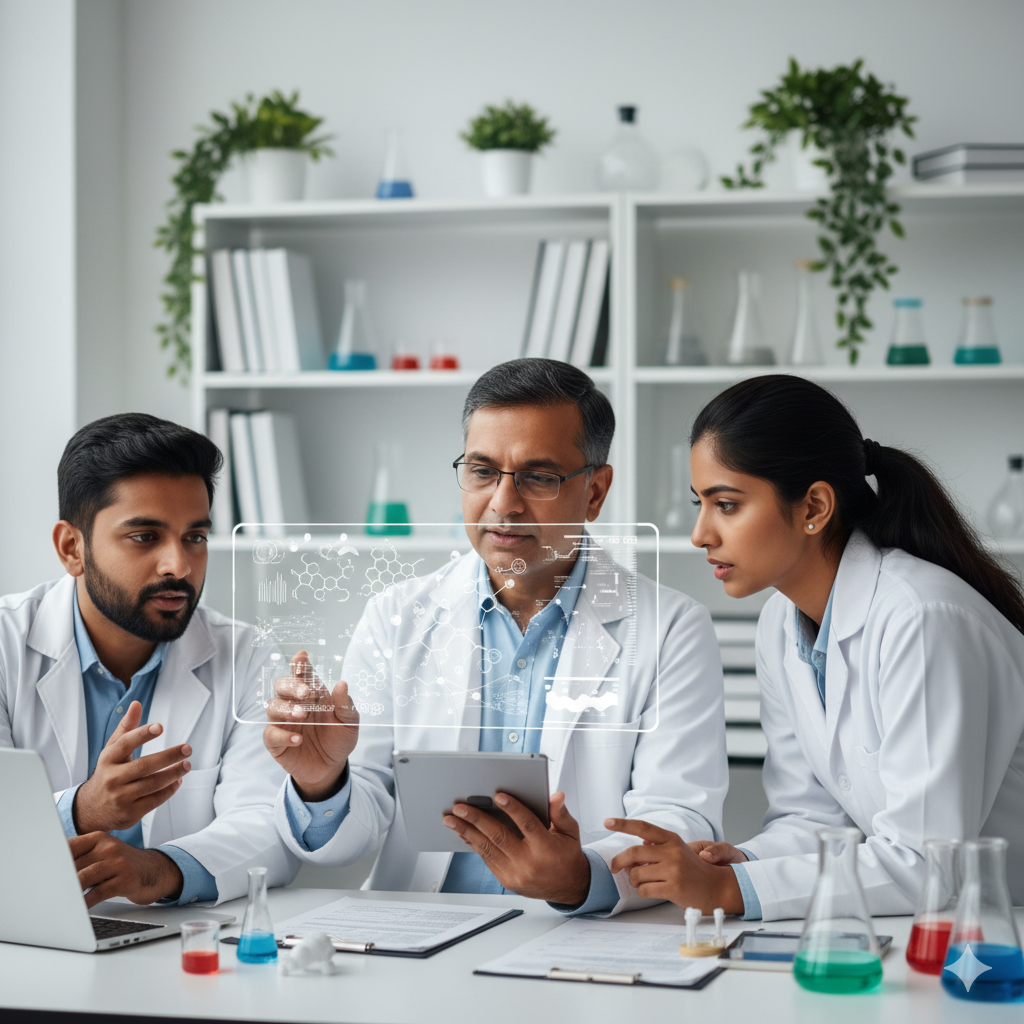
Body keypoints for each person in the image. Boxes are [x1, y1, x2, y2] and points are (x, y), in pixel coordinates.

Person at [264, 358, 727, 915]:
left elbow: (680, 817)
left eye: (539, 476)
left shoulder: (671, 628)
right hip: (419, 930)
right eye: (482, 472)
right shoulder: (396, 616)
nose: (503, 504)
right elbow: (361, 823)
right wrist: (323, 783)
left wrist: (581, 876)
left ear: (595, 491)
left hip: (580, 936)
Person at [607, 374, 1024, 920]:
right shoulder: (782, 621)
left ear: (814, 507)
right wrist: (738, 864)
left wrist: (731, 893)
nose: (700, 533)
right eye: (699, 504)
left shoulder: (922, 619)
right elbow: (814, 817)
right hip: (942, 922)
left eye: (726, 505)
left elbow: (926, 862)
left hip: (999, 927)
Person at [0, 414, 298, 907]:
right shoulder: (7, 643)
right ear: (72, 548)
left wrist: (160, 870)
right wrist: (83, 810)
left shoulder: (248, 657)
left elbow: (268, 824)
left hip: (181, 946)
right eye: (145, 537)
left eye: (195, 537)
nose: (178, 566)